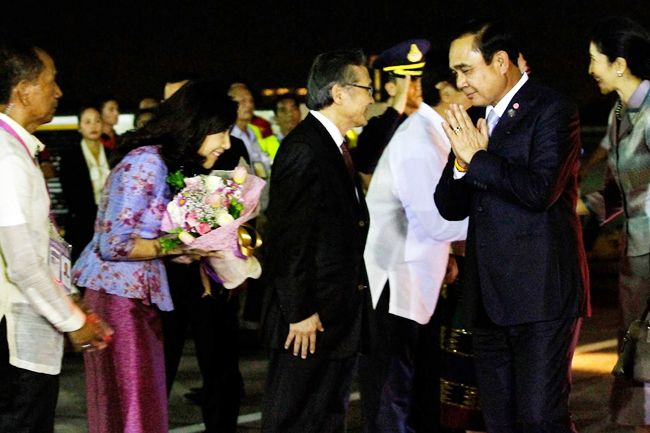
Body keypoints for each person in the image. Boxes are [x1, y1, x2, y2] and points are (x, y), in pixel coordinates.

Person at [434, 21, 590, 431]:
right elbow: (449, 207)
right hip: (488, 300)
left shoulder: (552, 110)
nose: (459, 81)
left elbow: (540, 191)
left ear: (500, 62)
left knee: (540, 418)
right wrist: (462, 160)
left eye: (466, 69)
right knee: (500, 421)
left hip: (542, 297)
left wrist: (479, 158)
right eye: (455, 72)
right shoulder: (474, 120)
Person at [72, 80, 236, 433]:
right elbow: (113, 244)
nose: (226, 142)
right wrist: (178, 245)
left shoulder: (161, 160)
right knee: (134, 408)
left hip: (133, 296)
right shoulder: (147, 163)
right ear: (197, 126)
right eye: (221, 132)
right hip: (120, 299)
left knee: (138, 405)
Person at [260, 49, 373, 433]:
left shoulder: (335, 148)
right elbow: (287, 239)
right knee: (294, 420)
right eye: (366, 89)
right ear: (339, 93)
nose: (372, 98)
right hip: (309, 323)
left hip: (335, 316)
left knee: (325, 418)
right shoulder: (305, 148)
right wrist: (299, 311)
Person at [0, 42, 109, 433]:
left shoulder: (16, 151)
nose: (59, 91)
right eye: (51, 81)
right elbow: (24, 263)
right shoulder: (8, 158)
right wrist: (71, 319)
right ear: (24, 90)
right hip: (15, 341)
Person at [360, 50, 470, 433]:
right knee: (394, 394)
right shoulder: (420, 139)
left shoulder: (435, 132)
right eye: (464, 76)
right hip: (397, 280)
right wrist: (500, 225)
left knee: (416, 387)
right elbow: (439, 221)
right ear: (444, 87)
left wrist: (449, 257)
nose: (472, 86)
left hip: (417, 275)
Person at [585, 17, 650, 431]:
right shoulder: (619, 111)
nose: (590, 70)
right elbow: (612, 190)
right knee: (634, 351)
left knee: (641, 351)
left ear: (620, 64)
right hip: (635, 251)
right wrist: (572, 214)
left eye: (595, 60)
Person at [353, 39, 429, 176]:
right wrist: (397, 106)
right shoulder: (378, 127)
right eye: (411, 79)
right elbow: (367, 163)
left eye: (421, 79)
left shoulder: (432, 122)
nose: (419, 85)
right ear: (391, 88)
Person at [59, 106, 112, 263]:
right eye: (87, 122)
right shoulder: (70, 157)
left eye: (97, 121)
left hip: (110, 223)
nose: (93, 126)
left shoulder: (112, 154)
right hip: (82, 225)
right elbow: (71, 196)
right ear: (79, 127)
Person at [228, 82, 278, 178]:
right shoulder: (226, 136)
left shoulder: (255, 132)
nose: (249, 105)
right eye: (243, 101)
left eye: (251, 100)